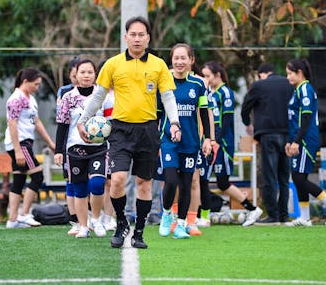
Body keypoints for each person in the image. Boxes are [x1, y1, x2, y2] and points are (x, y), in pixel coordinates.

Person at [76, 16, 181, 249]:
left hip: (148, 130)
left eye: (141, 34)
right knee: (118, 180)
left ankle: (139, 232)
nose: (136, 38)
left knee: (144, 183)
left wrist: (174, 122)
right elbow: (98, 95)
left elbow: (168, 97)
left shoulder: (158, 64)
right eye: (132, 34)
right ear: (126, 37)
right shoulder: (113, 64)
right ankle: (122, 222)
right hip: (120, 129)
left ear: (148, 38)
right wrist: (82, 120)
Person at [158, 43, 213, 239]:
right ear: (171, 60)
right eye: (176, 58)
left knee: (187, 183)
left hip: (191, 142)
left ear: (191, 60)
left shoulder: (198, 84)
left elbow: (204, 113)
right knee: (171, 181)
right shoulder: (164, 82)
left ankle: (181, 225)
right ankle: (166, 214)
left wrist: (207, 138)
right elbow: (157, 113)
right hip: (168, 141)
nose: (179, 62)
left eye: (184, 58)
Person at [201, 61, 263, 227]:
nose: (205, 79)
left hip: (221, 145)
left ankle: (252, 209)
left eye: (207, 76)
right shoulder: (209, 92)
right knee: (207, 180)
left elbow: (227, 119)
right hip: (211, 143)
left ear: (217, 75)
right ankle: (204, 215)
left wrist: (217, 141)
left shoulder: (225, 92)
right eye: (203, 76)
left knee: (220, 182)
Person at [54, 59, 111, 238]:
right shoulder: (68, 97)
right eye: (82, 72)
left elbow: (111, 122)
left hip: (99, 148)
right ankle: (83, 226)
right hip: (75, 149)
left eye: (90, 72)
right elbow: (62, 126)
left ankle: (95, 219)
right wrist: (58, 151)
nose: (86, 75)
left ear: (96, 75)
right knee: (79, 189)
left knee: (97, 183)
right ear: (76, 75)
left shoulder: (103, 96)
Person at [284, 58, 326, 226]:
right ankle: (304, 217)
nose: (287, 77)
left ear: (299, 73)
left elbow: (306, 118)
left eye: (289, 73)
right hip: (298, 139)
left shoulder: (305, 89)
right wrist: (290, 142)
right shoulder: (297, 90)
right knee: (298, 177)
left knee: (299, 178)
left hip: (305, 141)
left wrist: (297, 141)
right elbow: (294, 119)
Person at [241, 63, 293, 225]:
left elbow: (246, 106)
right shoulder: (289, 84)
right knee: (284, 177)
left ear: (261, 74)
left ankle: (272, 215)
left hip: (268, 135)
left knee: (270, 176)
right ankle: (284, 215)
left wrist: (247, 123)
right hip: (287, 134)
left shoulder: (259, 85)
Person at [5, 67, 56, 228]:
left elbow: (37, 122)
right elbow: (12, 123)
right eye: (35, 84)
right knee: (38, 177)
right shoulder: (16, 99)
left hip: (25, 143)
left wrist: (51, 144)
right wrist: (18, 150)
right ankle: (24, 214)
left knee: (19, 179)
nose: (37, 87)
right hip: (20, 144)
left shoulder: (30, 99)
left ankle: (12, 220)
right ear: (25, 82)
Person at [56, 57, 80, 233]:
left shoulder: (97, 93)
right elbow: (62, 120)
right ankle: (74, 219)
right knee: (71, 181)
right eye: (73, 75)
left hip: (92, 145)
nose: (76, 79)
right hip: (70, 143)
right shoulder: (65, 93)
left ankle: (89, 217)